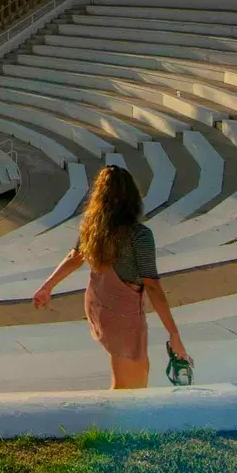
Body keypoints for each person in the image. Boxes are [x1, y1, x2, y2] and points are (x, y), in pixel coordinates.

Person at [32, 164, 188, 389]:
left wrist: (47, 287)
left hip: (99, 304)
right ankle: (107, 425)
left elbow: (76, 257)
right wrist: (174, 333)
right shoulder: (139, 236)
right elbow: (152, 286)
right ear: (133, 198)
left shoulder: (92, 227)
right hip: (123, 315)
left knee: (139, 373)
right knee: (128, 388)